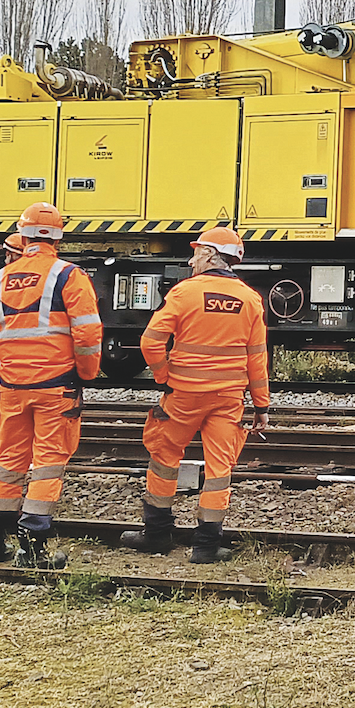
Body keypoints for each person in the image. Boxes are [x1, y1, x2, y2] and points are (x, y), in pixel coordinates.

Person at [0, 201, 102, 568]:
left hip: (12, 387)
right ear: (59, 237)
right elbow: (88, 334)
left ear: (22, 237)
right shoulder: (69, 276)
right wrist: (84, 376)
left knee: (8, 462)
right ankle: (31, 550)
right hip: (57, 386)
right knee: (49, 463)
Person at [125, 226, 271, 564]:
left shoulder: (184, 293)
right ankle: (206, 546)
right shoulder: (251, 299)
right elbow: (257, 359)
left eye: (196, 252)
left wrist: (164, 377)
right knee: (220, 469)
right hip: (227, 399)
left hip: (183, 396)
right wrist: (261, 405)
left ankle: (157, 534)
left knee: (164, 459)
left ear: (209, 255)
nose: (191, 259)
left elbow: (150, 342)